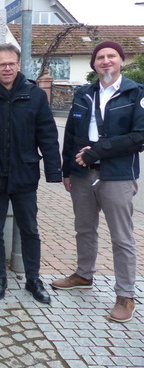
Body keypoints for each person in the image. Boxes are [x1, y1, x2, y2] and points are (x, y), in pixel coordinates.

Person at [52, 41, 144, 322]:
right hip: (82, 174)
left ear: (121, 61)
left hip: (115, 174)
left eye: (111, 56)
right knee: (84, 228)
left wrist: (98, 151)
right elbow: (70, 135)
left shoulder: (135, 94)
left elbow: (140, 136)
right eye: (100, 57)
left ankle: (126, 295)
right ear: (94, 64)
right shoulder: (83, 94)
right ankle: (83, 274)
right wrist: (67, 170)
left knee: (122, 237)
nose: (105, 61)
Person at [0, 43, 61, 304]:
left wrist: (54, 171)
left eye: (11, 63)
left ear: (19, 65)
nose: (7, 68)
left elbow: (47, 135)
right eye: (2, 64)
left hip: (25, 175)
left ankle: (33, 279)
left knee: (30, 230)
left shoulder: (34, 96)